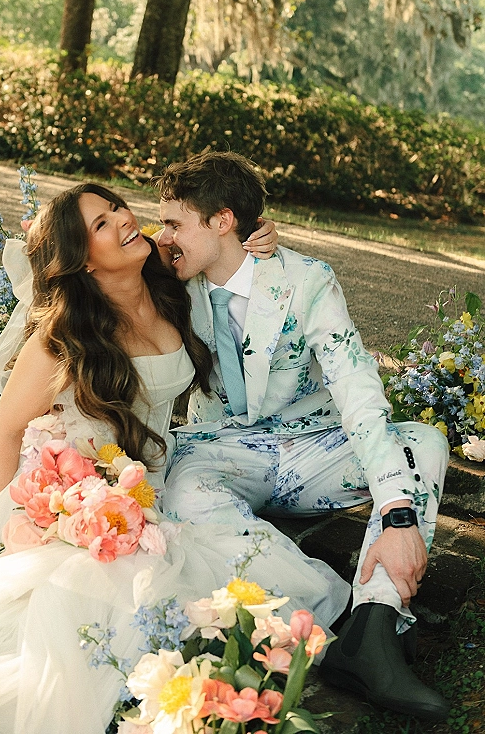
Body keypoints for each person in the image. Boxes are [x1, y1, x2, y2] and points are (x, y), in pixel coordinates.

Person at [0, 182, 347, 734]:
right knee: (84, 610)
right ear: (83, 261)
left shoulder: (166, 282)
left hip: (153, 485)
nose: (123, 219)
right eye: (100, 223)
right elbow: (7, 432)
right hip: (72, 495)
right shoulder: (65, 335)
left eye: (116, 207)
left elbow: (220, 244)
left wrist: (258, 235)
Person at [153, 150, 450, 722]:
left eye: (174, 222)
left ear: (222, 221)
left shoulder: (306, 280)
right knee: (182, 488)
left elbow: (357, 388)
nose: (164, 236)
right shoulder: (168, 278)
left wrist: (396, 512)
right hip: (221, 448)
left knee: (426, 443)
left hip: (312, 448)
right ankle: (343, 623)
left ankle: (378, 621)